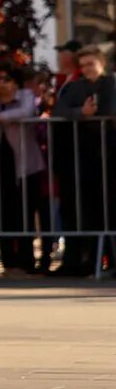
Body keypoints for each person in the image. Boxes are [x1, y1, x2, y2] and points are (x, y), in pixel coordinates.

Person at [0, 64, 48, 275]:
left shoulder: (25, 95)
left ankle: (26, 263)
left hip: (26, 166)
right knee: (2, 215)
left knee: (24, 214)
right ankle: (8, 263)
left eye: (6, 78)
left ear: (15, 82)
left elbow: (26, 111)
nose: (1, 83)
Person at [50, 45, 116, 277]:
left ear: (101, 63)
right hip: (83, 157)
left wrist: (92, 114)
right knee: (89, 212)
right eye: (83, 65)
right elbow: (60, 110)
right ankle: (89, 261)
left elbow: (109, 109)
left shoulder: (110, 84)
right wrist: (81, 113)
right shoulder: (75, 87)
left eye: (91, 64)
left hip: (109, 154)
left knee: (110, 210)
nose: (87, 69)